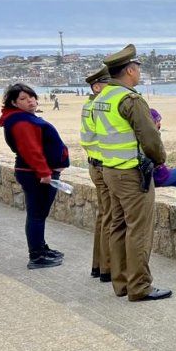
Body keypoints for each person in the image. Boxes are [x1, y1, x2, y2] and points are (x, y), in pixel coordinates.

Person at [93, 44, 172, 301]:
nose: (139, 72)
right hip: (131, 173)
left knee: (118, 225)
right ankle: (140, 287)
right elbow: (150, 138)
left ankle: (122, 282)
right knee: (138, 229)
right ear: (129, 70)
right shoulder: (130, 99)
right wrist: (159, 160)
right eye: (137, 68)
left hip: (109, 169)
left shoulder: (102, 98)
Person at [0, 83, 70, 269]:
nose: (30, 100)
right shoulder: (21, 122)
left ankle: (41, 248)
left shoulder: (26, 118)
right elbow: (31, 151)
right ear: (14, 103)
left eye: (31, 96)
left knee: (39, 214)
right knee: (36, 215)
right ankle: (37, 256)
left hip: (36, 173)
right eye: (23, 98)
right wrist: (45, 173)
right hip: (35, 175)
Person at [81, 66, 113, 281]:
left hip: (94, 163)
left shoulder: (88, 105)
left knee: (104, 216)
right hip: (103, 164)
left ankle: (99, 264)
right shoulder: (98, 107)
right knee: (110, 217)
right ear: (98, 86)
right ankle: (107, 268)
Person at [148, 109, 176, 190]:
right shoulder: (151, 138)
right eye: (158, 121)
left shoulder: (146, 136)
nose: (160, 124)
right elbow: (159, 159)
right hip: (158, 178)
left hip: (157, 175)